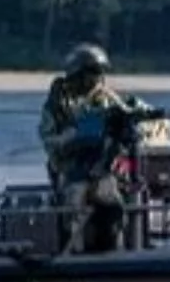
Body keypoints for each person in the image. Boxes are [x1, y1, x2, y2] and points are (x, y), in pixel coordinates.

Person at [38, 43, 126, 251]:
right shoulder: (57, 104)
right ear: (78, 73)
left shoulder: (106, 98)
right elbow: (49, 140)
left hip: (99, 168)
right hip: (70, 168)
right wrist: (72, 138)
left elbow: (125, 113)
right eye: (93, 72)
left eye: (100, 72)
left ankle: (112, 251)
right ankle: (73, 254)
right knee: (74, 202)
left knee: (113, 203)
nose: (98, 78)